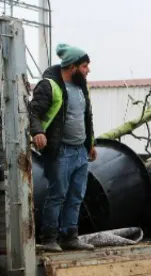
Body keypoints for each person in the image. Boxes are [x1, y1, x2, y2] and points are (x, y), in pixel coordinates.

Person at [29, 43, 96, 252]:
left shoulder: (82, 87)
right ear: (72, 67)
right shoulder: (49, 86)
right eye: (84, 66)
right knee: (57, 195)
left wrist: (90, 144)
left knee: (76, 196)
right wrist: (38, 132)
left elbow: (86, 117)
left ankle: (70, 237)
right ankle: (49, 238)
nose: (88, 70)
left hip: (80, 152)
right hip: (61, 151)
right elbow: (33, 112)